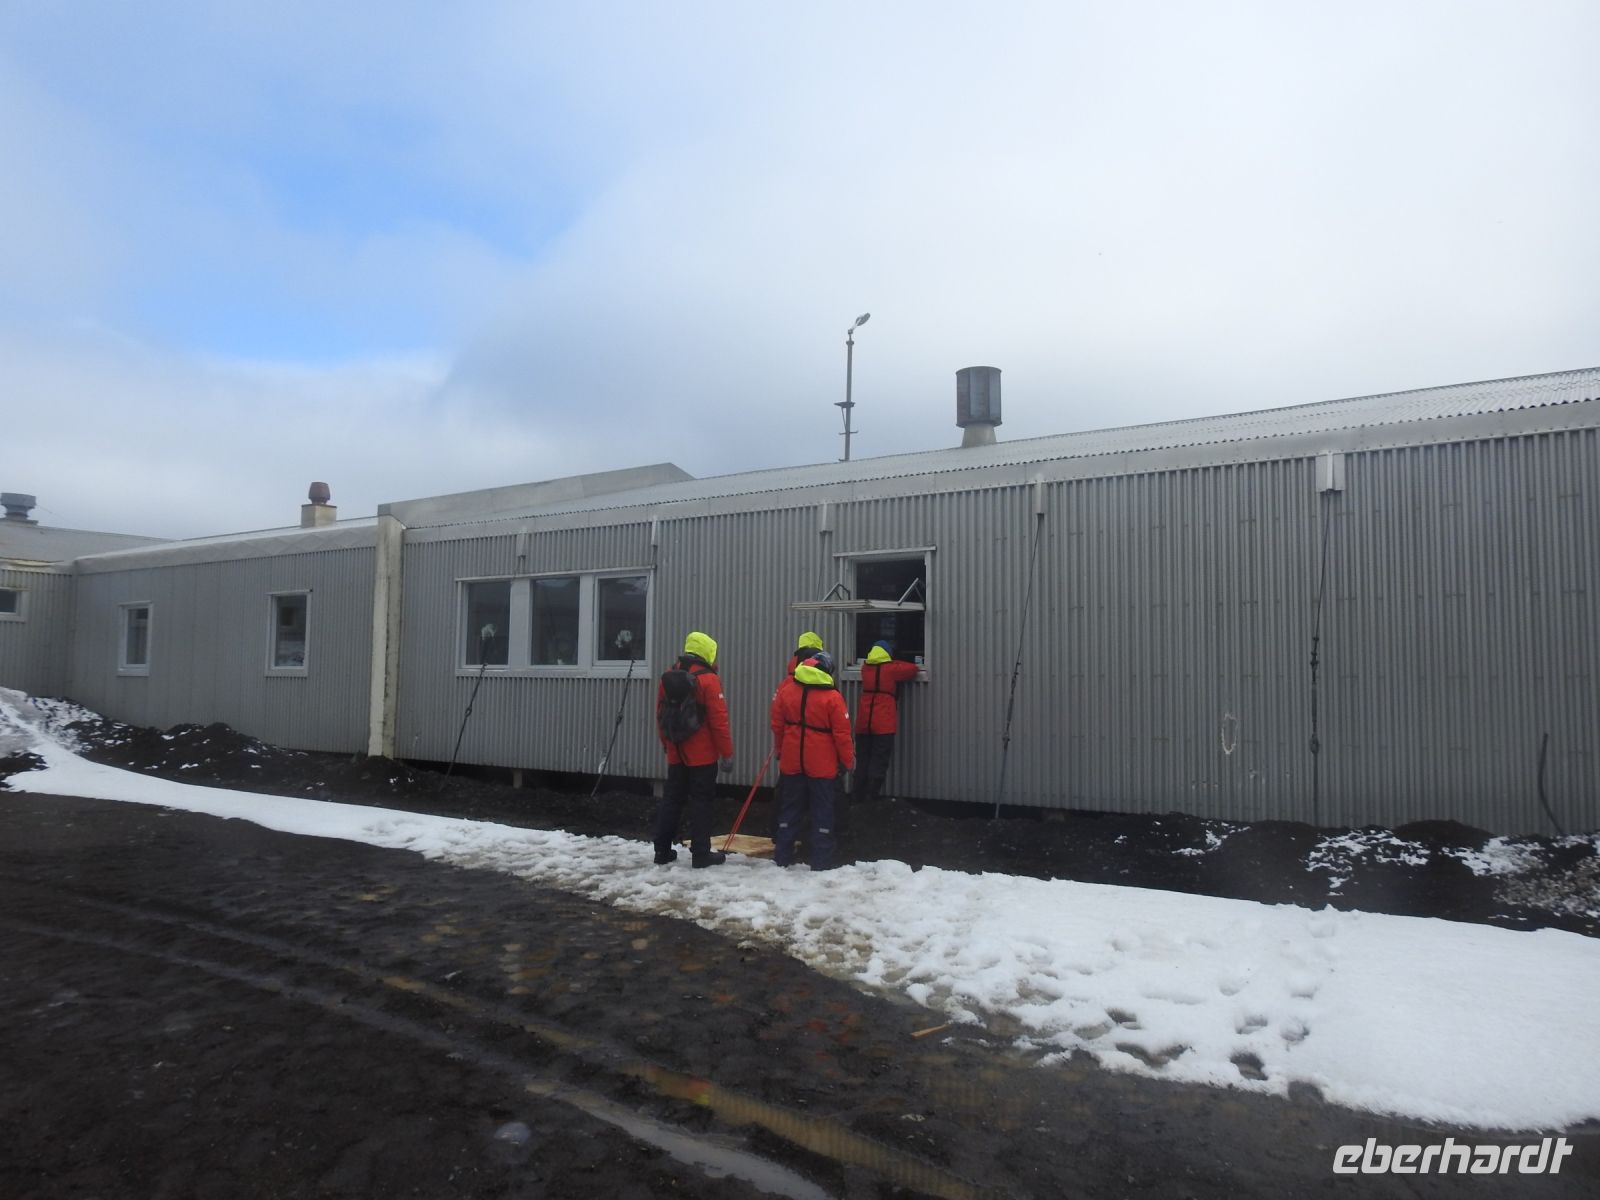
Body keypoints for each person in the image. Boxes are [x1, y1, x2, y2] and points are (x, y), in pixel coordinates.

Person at [653, 631, 734, 867]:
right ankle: (701, 854)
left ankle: (661, 850)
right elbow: (719, 721)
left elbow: (660, 715)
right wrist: (727, 753)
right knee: (702, 802)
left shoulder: (668, 677)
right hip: (703, 755)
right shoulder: (709, 679)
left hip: (676, 751)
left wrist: (665, 744)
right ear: (707, 651)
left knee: (672, 800)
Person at [769, 650, 854, 870]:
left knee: (790, 809)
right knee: (822, 811)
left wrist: (780, 750)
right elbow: (842, 735)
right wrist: (847, 762)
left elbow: (777, 725)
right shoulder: (832, 697)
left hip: (792, 760)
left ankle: (783, 856)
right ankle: (821, 861)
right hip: (821, 765)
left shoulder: (787, 691)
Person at [853, 640, 920, 804]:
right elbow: (913, 669)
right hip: (883, 724)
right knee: (879, 759)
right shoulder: (891, 669)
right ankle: (871, 797)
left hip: (863, 722)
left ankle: (857, 798)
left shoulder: (865, 668)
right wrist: (896, 660)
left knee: (862, 759)